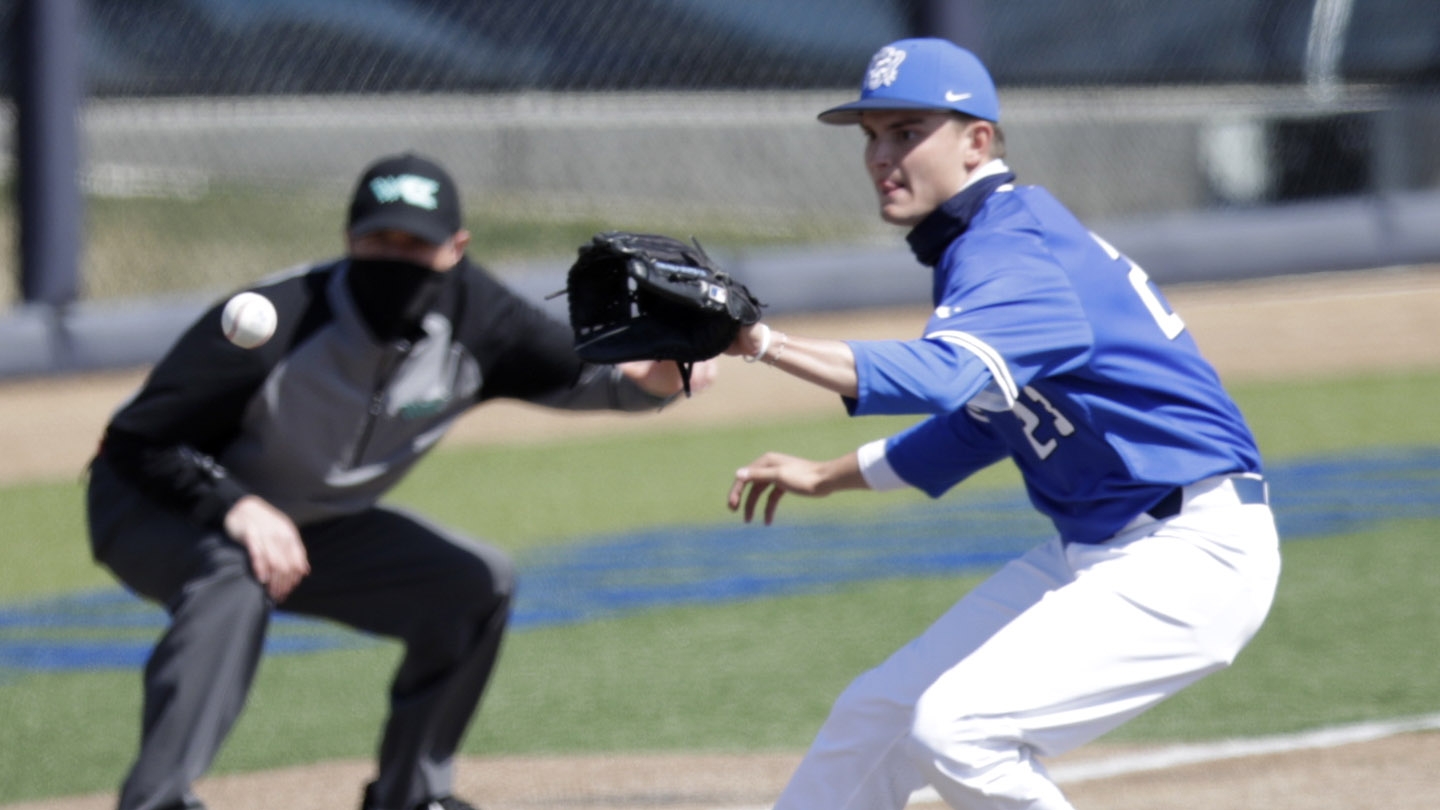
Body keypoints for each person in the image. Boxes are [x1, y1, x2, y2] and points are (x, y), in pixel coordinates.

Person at [724, 39, 1280, 810]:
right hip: (1103, 546)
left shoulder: (1012, 246)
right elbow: (986, 416)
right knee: (878, 714)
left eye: (907, 132)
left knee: (959, 732)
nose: (883, 156)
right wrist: (828, 474)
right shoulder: (989, 240)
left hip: (1190, 553)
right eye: (872, 137)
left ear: (976, 139)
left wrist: (763, 343)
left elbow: (948, 377)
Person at [86, 152, 713, 810]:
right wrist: (235, 506)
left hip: (312, 527)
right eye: (380, 239)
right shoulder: (277, 322)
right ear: (349, 241)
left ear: (456, 248)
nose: (396, 256)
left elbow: (611, 382)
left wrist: (671, 373)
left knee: (473, 585)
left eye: (416, 242)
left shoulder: (484, 321)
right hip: (154, 509)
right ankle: (155, 802)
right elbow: (134, 441)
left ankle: (412, 796)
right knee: (233, 574)